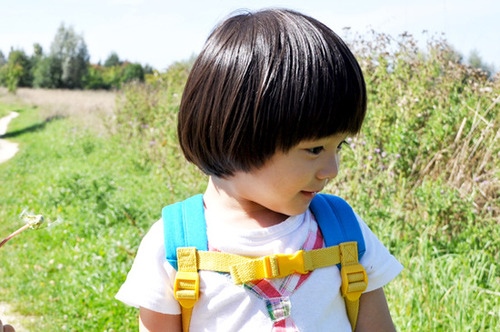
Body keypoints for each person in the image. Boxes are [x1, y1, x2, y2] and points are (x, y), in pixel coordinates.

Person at [116, 8, 403, 331]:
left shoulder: (343, 232)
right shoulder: (175, 247)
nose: (331, 169)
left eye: (339, 147)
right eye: (314, 149)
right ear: (240, 135)